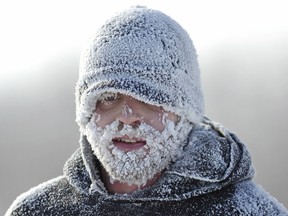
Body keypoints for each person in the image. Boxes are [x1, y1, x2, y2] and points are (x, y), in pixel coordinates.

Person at [5, 6, 288, 216]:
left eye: (150, 98)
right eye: (109, 97)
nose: (128, 116)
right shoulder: (37, 211)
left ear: (186, 110)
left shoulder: (250, 212)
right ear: (86, 112)